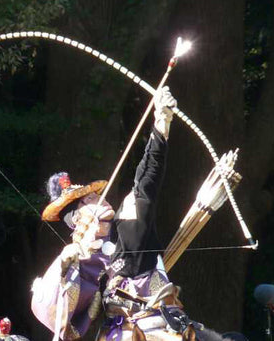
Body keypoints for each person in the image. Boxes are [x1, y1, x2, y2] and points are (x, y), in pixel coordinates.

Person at [31, 87, 212, 340]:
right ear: (77, 217)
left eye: (96, 194)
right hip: (116, 333)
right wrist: (63, 269)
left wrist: (161, 122)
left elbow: (146, 180)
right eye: (90, 199)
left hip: (160, 328)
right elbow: (57, 315)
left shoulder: (128, 226)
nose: (100, 199)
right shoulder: (78, 259)